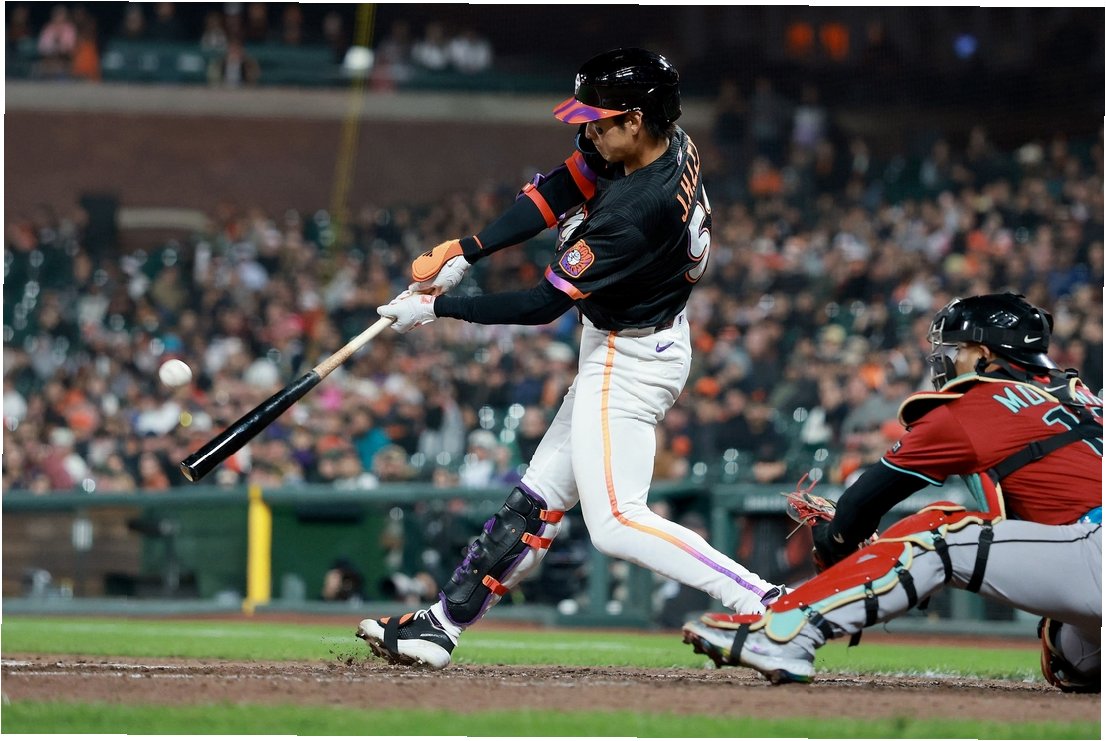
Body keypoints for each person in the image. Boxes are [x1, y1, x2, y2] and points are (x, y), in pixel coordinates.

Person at [357, 47, 783, 669]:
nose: (588, 132)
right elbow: (564, 184)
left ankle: (768, 601)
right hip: (632, 338)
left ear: (635, 120)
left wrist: (437, 310)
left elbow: (541, 305)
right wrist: (468, 250)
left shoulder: (639, 210)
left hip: (630, 356)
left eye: (600, 121)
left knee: (616, 522)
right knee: (537, 499)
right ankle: (441, 626)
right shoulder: (662, 141)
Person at [682, 293, 1102, 692]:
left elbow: (863, 502)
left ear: (984, 354)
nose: (948, 359)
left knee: (936, 534)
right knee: (1069, 649)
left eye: (957, 350)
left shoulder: (978, 401)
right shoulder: (1085, 398)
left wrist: (837, 546)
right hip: (1087, 552)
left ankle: (786, 633)